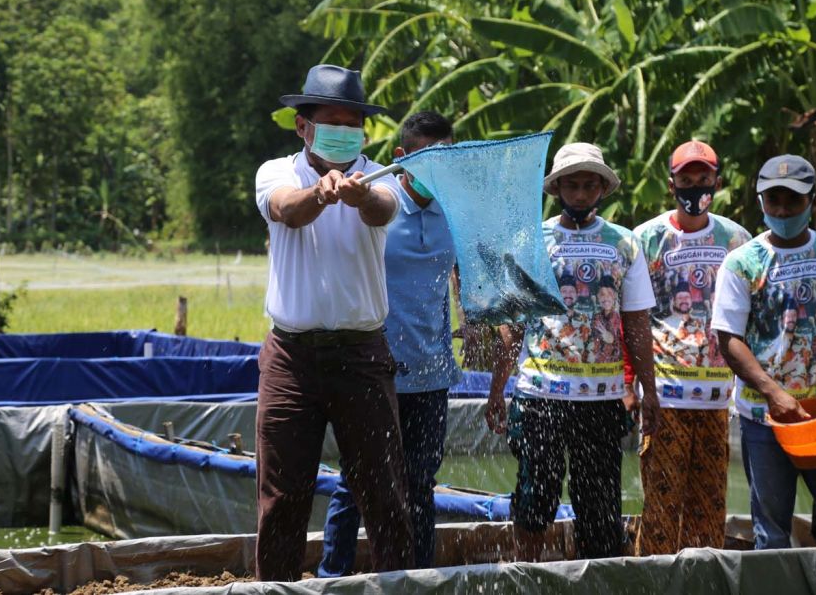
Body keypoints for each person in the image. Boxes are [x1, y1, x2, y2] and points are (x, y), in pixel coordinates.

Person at [253, 64, 412, 581]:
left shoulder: (379, 180)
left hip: (362, 355)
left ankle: (397, 587)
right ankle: (276, 589)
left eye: (353, 122)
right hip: (291, 358)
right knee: (282, 496)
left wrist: (360, 194)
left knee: (384, 493)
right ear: (303, 127)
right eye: (332, 121)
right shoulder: (277, 172)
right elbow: (286, 210)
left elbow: (383, 210)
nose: (344, 131)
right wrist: (321, 194)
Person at [485, 143, 659, 561]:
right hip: (540, 394)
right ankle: (527, 577)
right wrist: (496, 391)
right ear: (557, 188)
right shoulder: (532, 240)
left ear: (602, 189)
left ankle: (595, 578)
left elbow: (635, 323)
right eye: (572, 185)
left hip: (600, 399)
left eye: (588, 185)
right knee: (532, 502)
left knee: (600, 511)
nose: (580, 194)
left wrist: (649, 390)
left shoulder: (625, 244)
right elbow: (513, 323)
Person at [318, 111, 462, 576]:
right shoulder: (376, 204)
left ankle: (418, 577)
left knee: (420, 485)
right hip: (373, 369)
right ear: (401, 159)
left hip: (432, 373)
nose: (436, 172)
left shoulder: (454, 214)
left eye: (446, 159)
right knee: (356, 483)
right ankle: (332, 576)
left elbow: (462, 283)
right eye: (425, 160)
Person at [712, 154, 816, 549]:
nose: (782, 210)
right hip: (764, 418)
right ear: (761, 202)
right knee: (771, 531)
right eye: (773, 200)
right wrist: (772, 391)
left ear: (813, 202)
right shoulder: (742, 262)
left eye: (792, 201)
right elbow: (729, 339)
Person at [632, 140, 750, 555]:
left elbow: (748, 314)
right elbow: (632, 318)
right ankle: (652, 581)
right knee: (662, 506)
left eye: (703, 179)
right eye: (686, 179)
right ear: (672, 184)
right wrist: (633, 385)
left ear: (716, 182)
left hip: (718, 398)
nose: (695, 187)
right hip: (665, 394)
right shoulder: (646, 239)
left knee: (710, 503)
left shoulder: (737, 239)